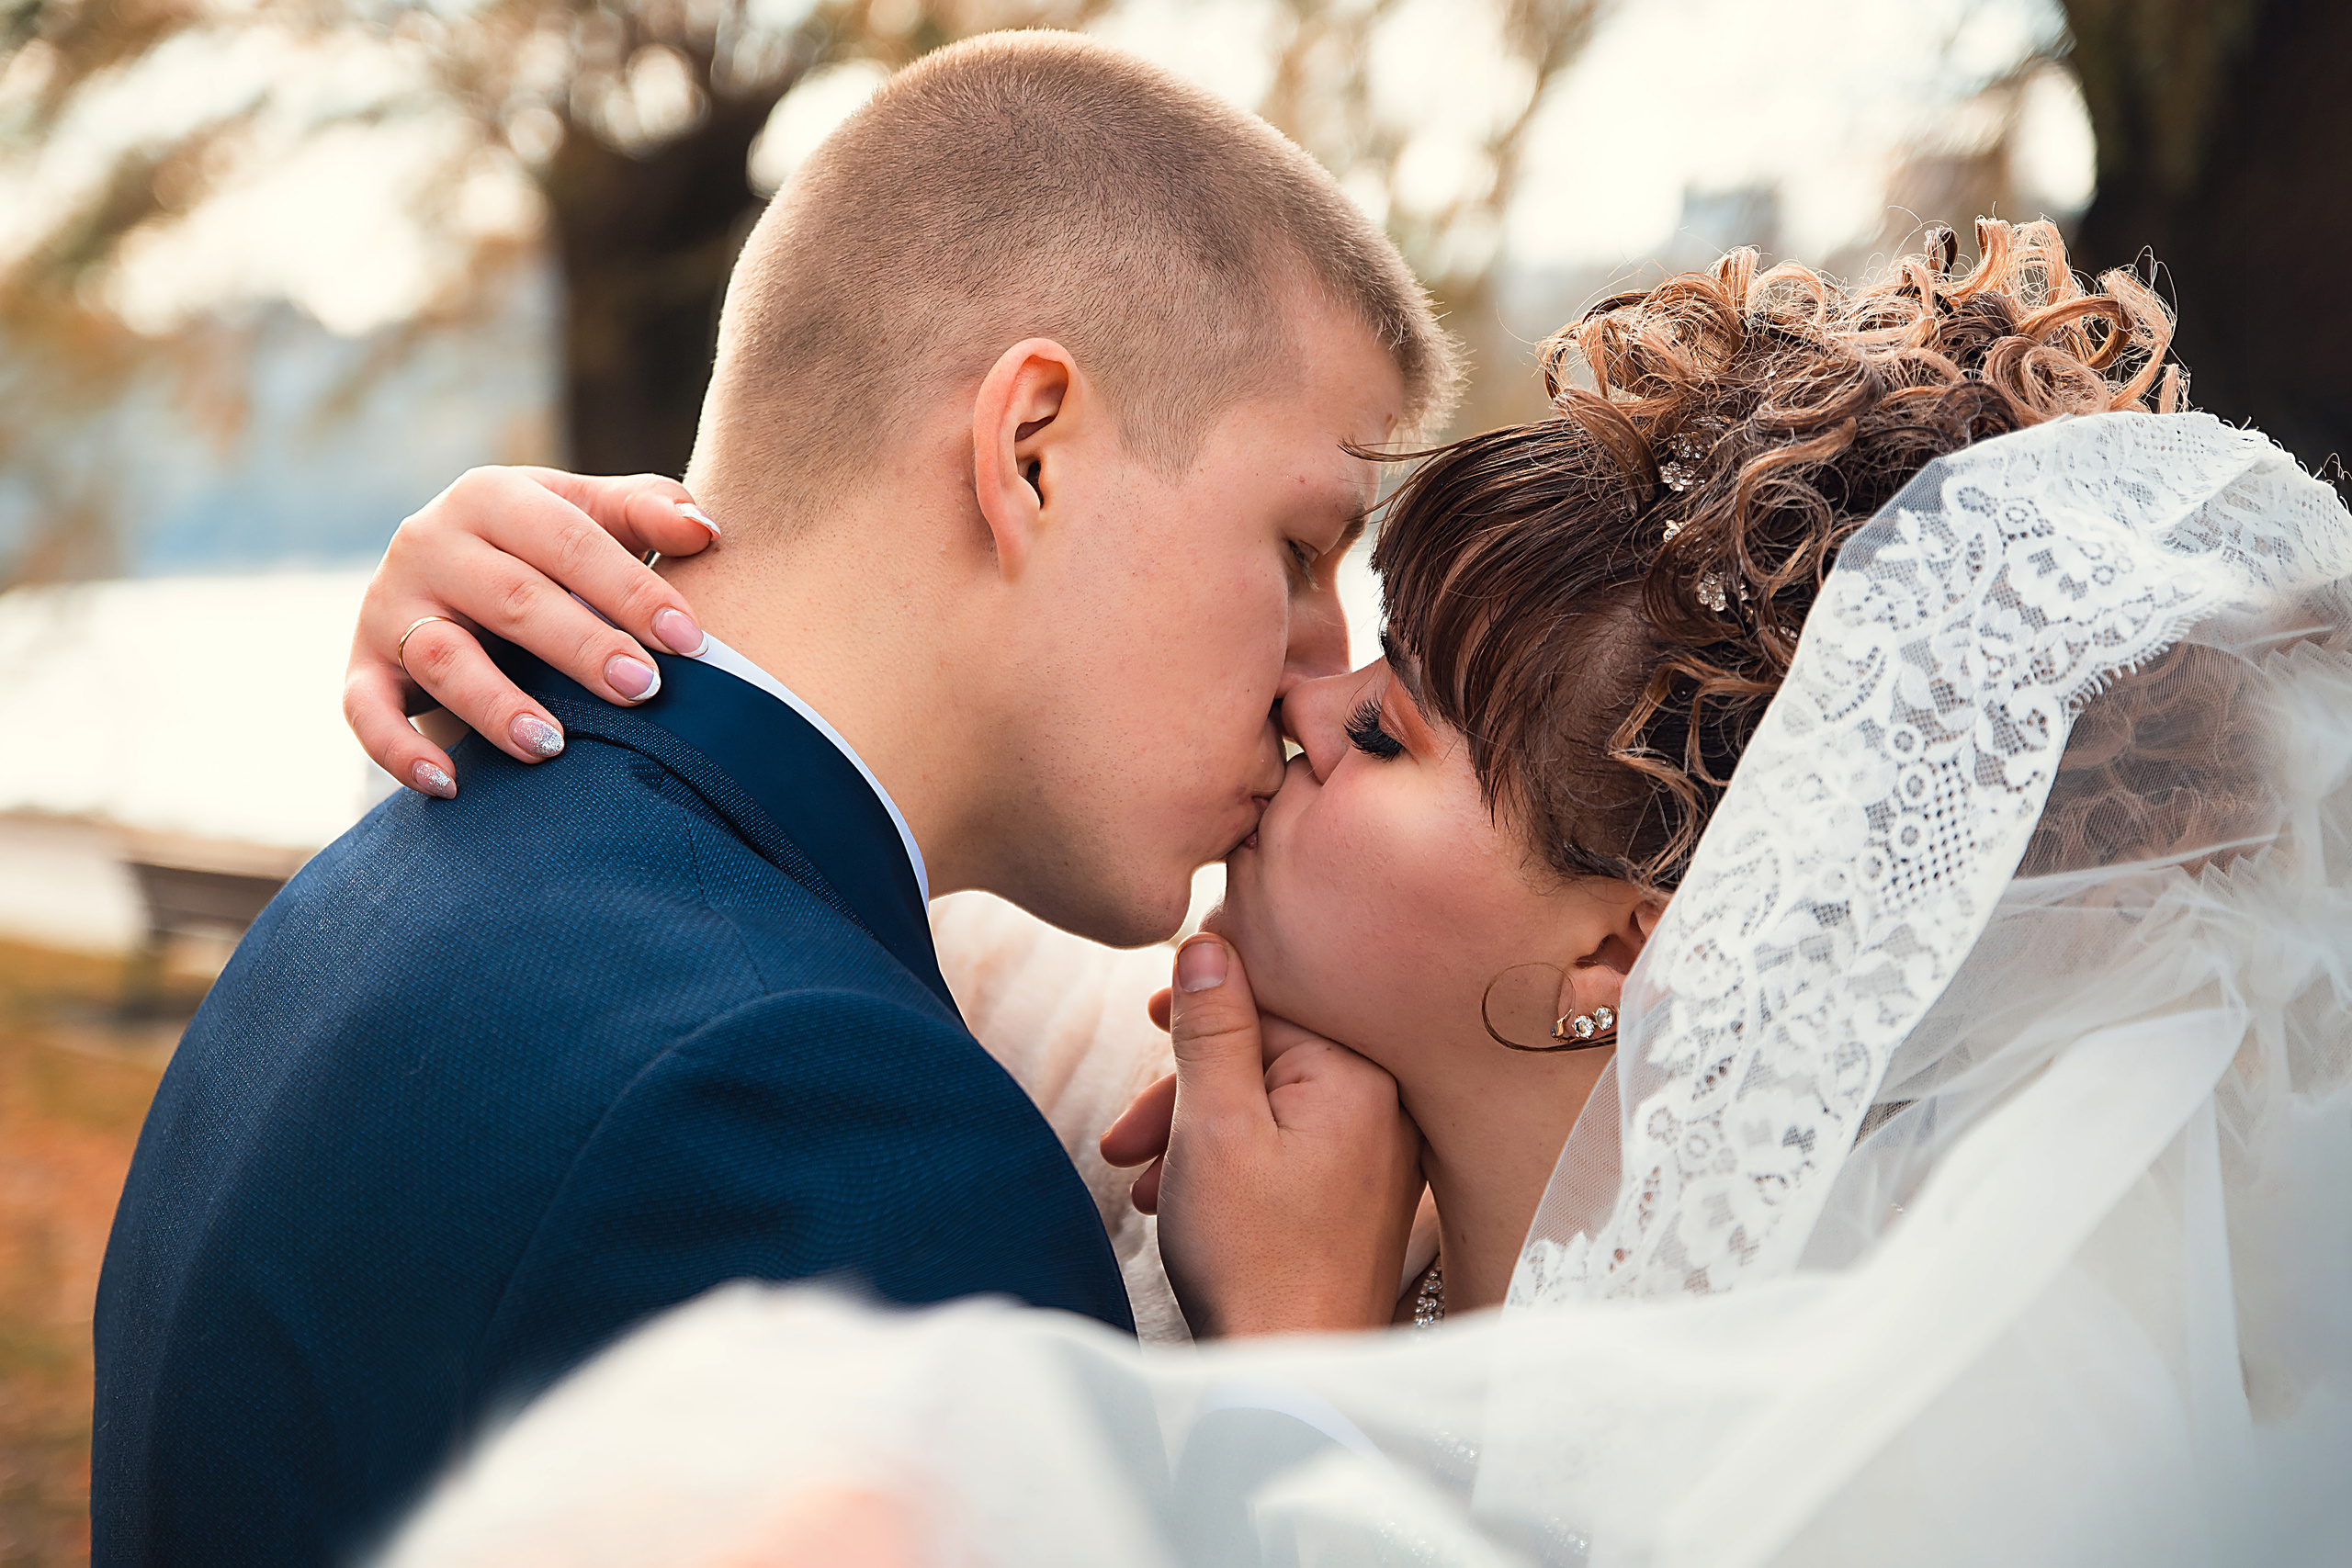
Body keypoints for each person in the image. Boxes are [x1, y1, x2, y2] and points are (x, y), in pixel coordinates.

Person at [362, 223, 2352, 1564]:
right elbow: (809, 828)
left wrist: (1290, 1371)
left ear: (1625, 943)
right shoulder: (1126, 1067)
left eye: (1391, 728)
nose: (1297, 696)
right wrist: (543, 593)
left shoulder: (1879, 1487)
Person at [89, 33, 1454, 1567]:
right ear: (1032, 451)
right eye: (1300, 550)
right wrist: (1297, 1388)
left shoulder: (373, 890)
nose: (1319, 670)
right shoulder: (831, 1126)